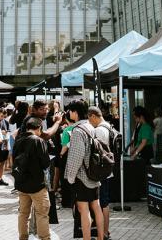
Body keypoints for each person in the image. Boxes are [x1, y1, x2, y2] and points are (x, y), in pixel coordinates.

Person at [65, 100, 105, 240]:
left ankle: (86, 238)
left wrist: (70, 177)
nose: (69, 113)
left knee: (83, 210)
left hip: (82, 176)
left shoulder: (77, 130)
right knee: (96, 206)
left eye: (70, 111)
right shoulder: (91, 127)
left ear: (75, 112)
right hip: (94, 174)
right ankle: (101, 237)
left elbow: (77, 156)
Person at [13, 111, 52, 240]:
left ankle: (22, 237)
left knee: (23, 213)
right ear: (39, 128)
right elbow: (45, 163)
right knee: (42, 214)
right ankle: (45, 238)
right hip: (37, 184)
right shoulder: (38, 141)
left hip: (22, 183)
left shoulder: (18, 140)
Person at [89, 107, 113, 240]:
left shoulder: (99, 130)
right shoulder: (109, 126)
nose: (89, 122)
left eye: (89, 119)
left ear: (93, 116)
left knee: (102, 202)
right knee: (105, 201)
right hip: (108, 170)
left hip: (101, 171)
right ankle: (106, 231)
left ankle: (103, 233)